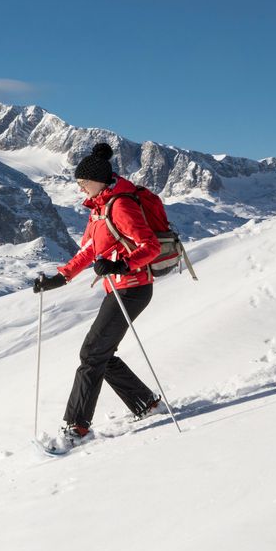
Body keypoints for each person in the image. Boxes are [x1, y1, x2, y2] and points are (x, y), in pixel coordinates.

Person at [33, 142, 163, 454]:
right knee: (98, 353)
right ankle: (144, 403)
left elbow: (151, 246)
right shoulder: (100, 208)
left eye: (83, 183)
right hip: (119, 287)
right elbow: (90, 249)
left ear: (97, 180)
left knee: (92, 354)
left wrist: (122, 265)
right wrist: (61, 277)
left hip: (133, 288)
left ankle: (77, 427)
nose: (80, 189)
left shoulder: (120, 206)